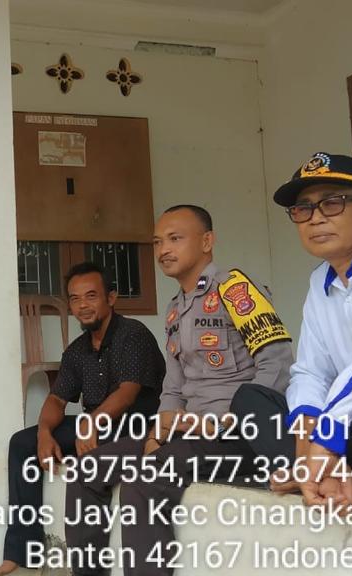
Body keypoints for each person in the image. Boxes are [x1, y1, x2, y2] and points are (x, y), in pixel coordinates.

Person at [64, 206, 295, 575]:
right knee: (86, 468)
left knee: (144, 480)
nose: (163, 250)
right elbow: (173, 386)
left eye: (175, 239)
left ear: (207, 241)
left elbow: (278, 364)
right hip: (186, 434)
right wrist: (157, 433)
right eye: (158, 242)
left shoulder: (235, 290)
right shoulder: (175, 310)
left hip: (236, 437)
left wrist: (220, 423)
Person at [233, 152, 352, 513]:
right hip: (347, 427)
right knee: (250, 400)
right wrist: (307, 436)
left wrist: (325, 436)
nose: (316, 217)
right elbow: (310, 371)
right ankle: (322, 476)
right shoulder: (319, 280)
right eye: (303, 209)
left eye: (332, 203)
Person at [0, 261, 165, 576]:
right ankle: (22, 551)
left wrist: (90, 424)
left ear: (111, 298)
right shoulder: (77, 350)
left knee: (90, 458)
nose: (82, 305)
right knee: (22, 444)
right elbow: (57, 398)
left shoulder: (133, 334)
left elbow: (127, 393)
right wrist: (44, 433)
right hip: (94, 427)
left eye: (91, 296)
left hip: (135, 428)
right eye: (74, 298)